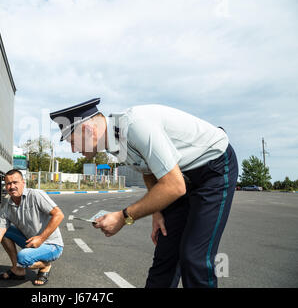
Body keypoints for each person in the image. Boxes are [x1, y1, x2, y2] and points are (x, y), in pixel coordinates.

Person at [50, 98, 238, 288]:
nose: (73, 150)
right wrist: (158, 211)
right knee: (165, 256)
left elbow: (174, 186)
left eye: (72, 142)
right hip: (180, 175)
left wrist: (123, 217)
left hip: (213, 169)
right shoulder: (113, 141)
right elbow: (148, 170)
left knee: (194, 257)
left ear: (88, 129)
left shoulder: (135, 126)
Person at [0, 169, 65, 286]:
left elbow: (59, 215)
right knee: (5, 233)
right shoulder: (7, 207)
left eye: (15, 182)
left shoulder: (36, 195)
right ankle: (18, 269)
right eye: (8, 183)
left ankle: (45, 265)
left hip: (52, 245)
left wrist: (41, 238)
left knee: (23, 257)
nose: (12, 186)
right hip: (31, 242)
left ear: (23, 183)